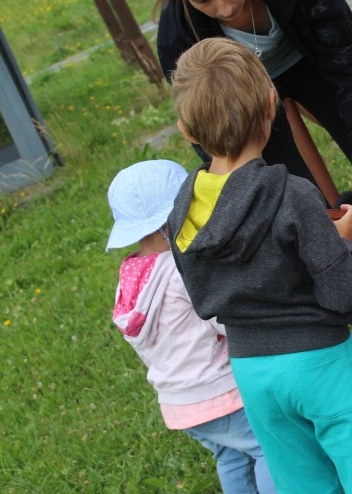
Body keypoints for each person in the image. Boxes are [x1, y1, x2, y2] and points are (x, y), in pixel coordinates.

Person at [155, 0, 352, 405]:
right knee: (311, 222)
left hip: (308, 62)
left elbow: (344, 52)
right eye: (204, 1)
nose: (225, 7)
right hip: (246, 101)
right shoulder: (178, 36)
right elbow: (211, 130)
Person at [165, 38, 352, 494]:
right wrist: (346, 245)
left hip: (252, 373)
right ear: (270, 106)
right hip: (321, 363)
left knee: (304, 485)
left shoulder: (182, 208)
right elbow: (343, 292)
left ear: (187, 131)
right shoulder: (293, 194)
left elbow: (203, 299)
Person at [105, 159, 275, 494]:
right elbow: (221, 318)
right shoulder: (181, 270)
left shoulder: (132, 275)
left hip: (179, 403)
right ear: (170, 221)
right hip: (218, 392)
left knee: (231, 456)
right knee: (267, 447)